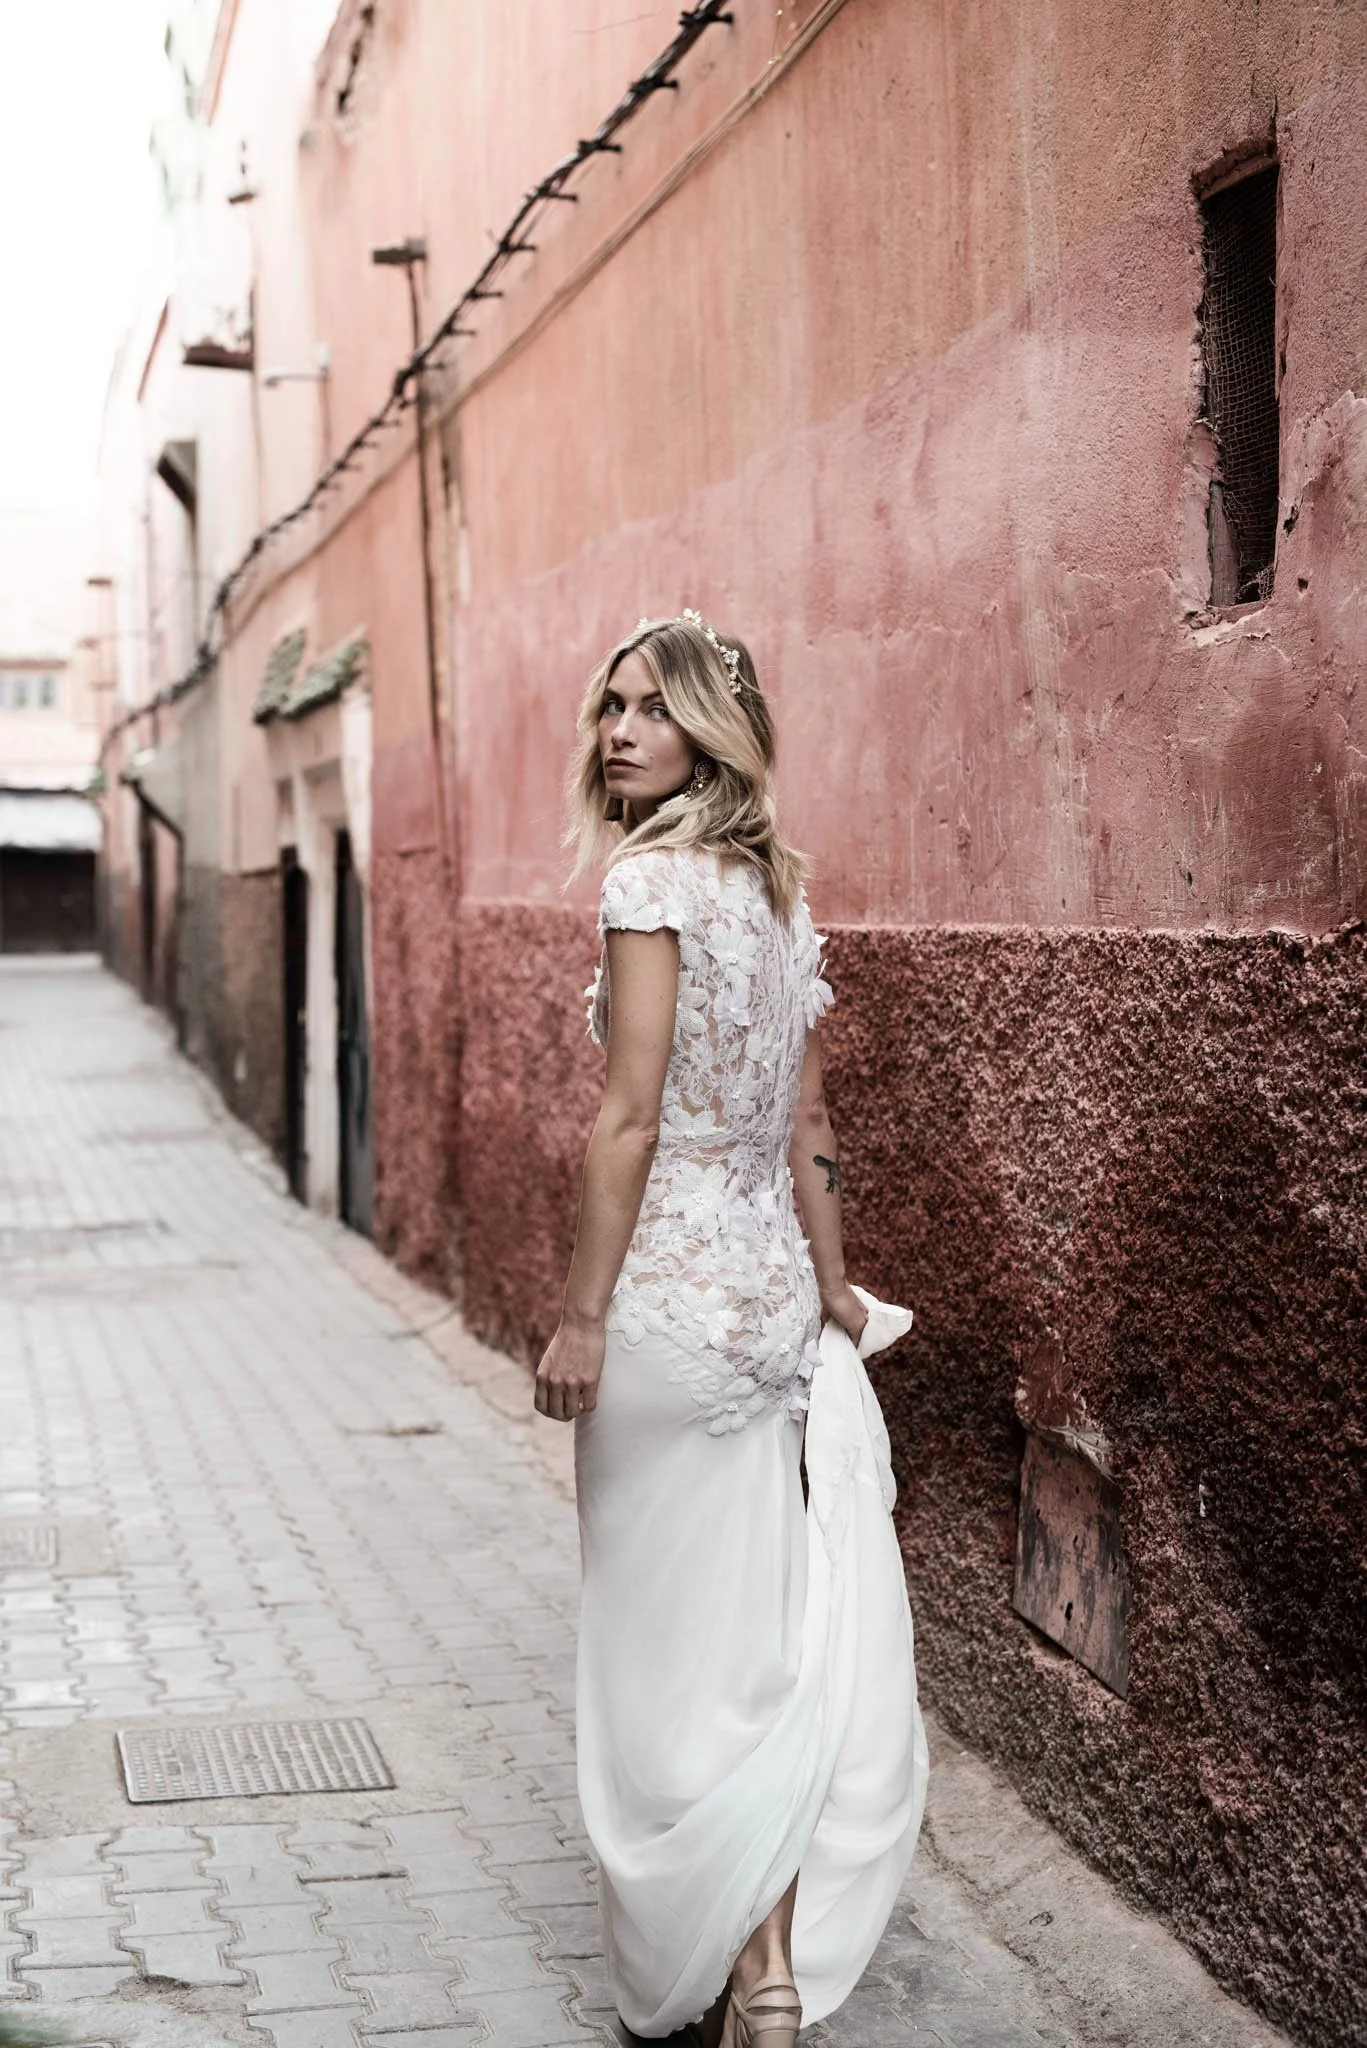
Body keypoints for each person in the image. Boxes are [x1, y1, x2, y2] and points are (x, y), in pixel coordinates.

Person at [535, 612, 927, 2047]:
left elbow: (629, 1119)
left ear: (713, 728)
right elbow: (811, 1122)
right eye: (610, 707)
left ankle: (750, 1957)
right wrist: (826, 1284)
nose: (617, 732)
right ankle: (761, 1972)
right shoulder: (775, 897)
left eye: (650, 708)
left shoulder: (650, 885)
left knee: (663, 1647)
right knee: (753, 1634)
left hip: (668, 1318)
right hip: (764, 1309)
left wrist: (580, 1316)